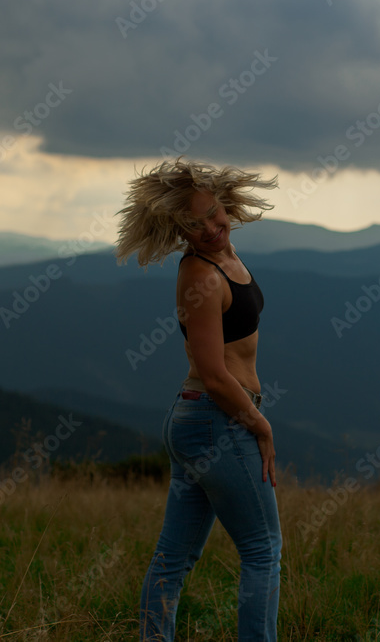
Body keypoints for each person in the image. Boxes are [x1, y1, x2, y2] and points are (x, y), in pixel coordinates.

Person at [113, 156, 282, 641]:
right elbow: (213, 374)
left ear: (225, 204)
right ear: (178, 231)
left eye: (213, 214)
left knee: (175, 556)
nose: (209, 228)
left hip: (201, 422)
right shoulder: (202, 276)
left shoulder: (226, 257)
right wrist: (259, 423)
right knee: (262, 550)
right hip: (218, 419)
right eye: (194, 224)